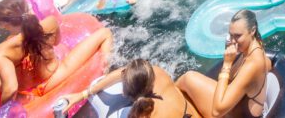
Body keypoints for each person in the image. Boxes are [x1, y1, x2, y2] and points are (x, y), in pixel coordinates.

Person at [0, 0, 112, 104]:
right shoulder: (50, 23)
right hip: (54, 78)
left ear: (2, 24)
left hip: (28, 94)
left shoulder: (3, 50)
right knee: (105, 33)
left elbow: (11, 88)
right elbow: (57, 42)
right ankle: (106, 68)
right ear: (29, 10)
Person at [177, 9, 271, 118]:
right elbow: (233, 79)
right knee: (188, 81)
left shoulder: (253, 64)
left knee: (188, 78)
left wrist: (227, 64)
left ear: (252, 30)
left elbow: (217, 112)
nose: (232, 41)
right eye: (231, 35)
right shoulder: (254, 47)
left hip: (238, 115)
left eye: (238, 36)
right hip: (236, 106)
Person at [61, 58, 199, 118]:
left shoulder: (141, 115)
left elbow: (123, 73)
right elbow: (123, 72)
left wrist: (84, 94)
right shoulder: (160, 75)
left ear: (124, 91)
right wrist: (84, 94)